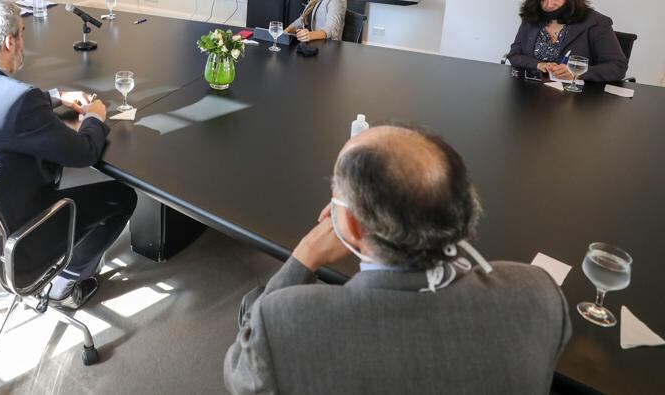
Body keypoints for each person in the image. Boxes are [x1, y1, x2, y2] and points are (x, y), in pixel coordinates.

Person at [223, 124, 571, 394]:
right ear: (464, 207)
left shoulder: (283, 322)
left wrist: (304, 257)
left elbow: (240, 375)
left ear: (352, 223)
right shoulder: (538, 292)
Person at [0, 0, 137, 310]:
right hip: (20, 232)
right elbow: (84, 154)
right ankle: (64, 284)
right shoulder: (20, 101)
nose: (24, 41)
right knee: (122, 196)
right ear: (10, 42)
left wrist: (55, 96)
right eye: (23, 34)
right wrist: (95, 115)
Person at [507, 0, 627, 83]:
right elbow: (515, 55)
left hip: (578, 97)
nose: (549, 5)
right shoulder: (532, 18)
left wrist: (578, 73)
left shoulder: (596, 22)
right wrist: (538, 65)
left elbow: (618, 67)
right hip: (531, 91)